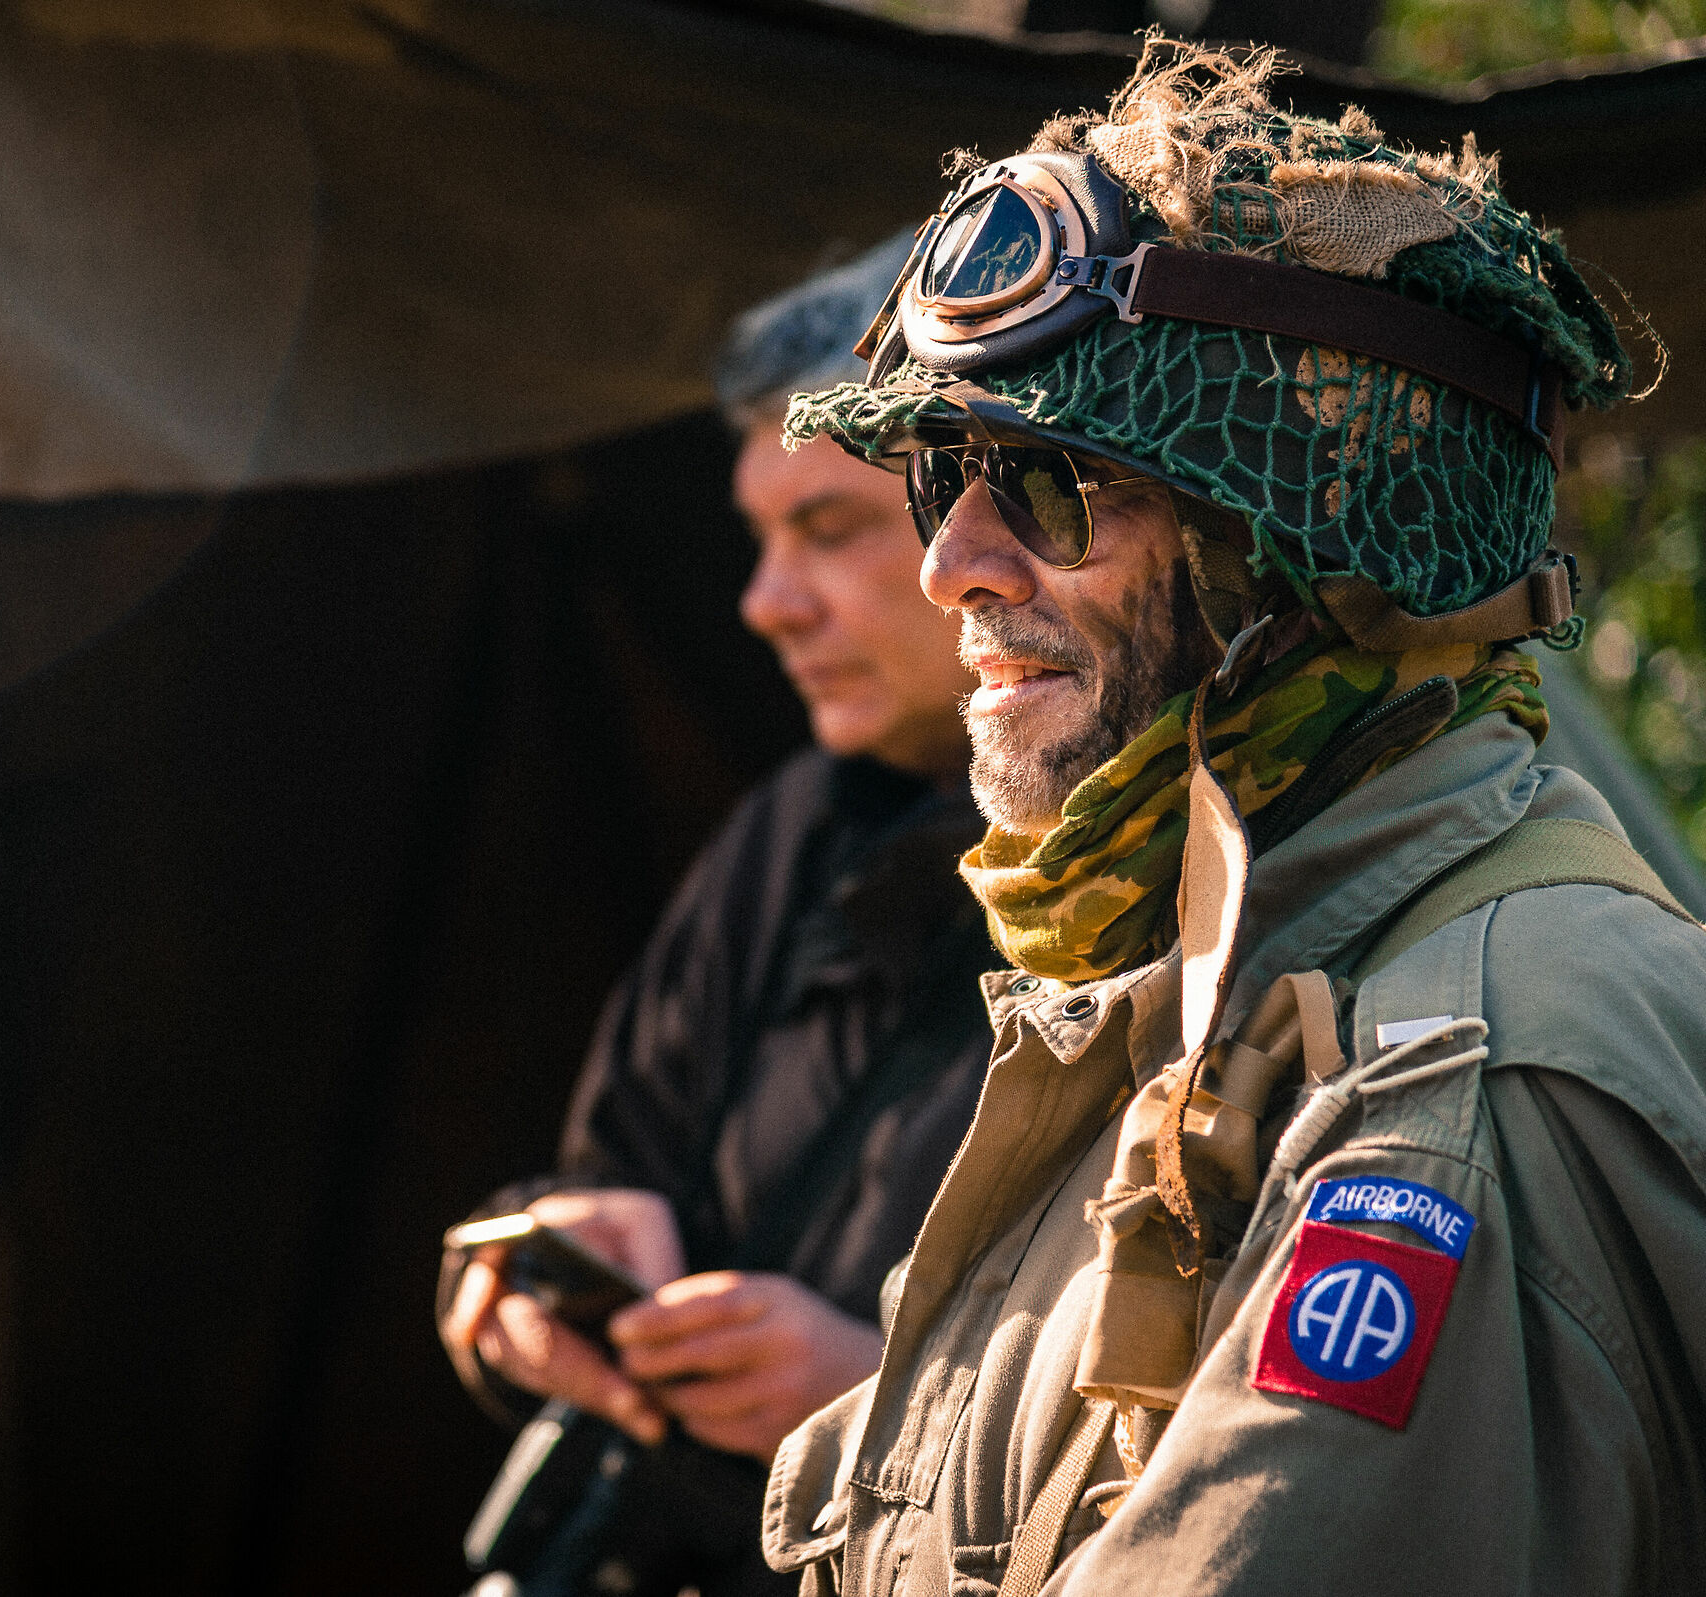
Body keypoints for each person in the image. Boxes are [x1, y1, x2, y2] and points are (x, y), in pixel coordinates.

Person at [762, 40, 1706, 1597]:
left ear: (1307, 550)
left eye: (1056, 481)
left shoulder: (1456, 1091)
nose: (955, 567)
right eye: (945, 475)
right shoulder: (1195, 1012)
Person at [436, 232, 996, 1595]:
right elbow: (615, 1166)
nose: (764, 603)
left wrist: (889, 1397)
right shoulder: (800, 827)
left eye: (830, 526)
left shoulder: (1203, 865)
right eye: (758, 537)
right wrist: (533, 1281)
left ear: (1002, 514)